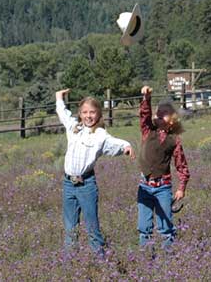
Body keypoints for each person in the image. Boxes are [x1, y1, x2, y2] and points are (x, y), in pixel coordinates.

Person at [55, 88, 134, 255]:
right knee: (70, 227)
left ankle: (101, 262)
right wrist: (59, 98)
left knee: (92, 226)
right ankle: (71, 263)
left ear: (98, 114)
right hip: (69, 183)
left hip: (86, 184)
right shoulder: (74, 127)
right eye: (85, 112)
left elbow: (113, 142)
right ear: (80, 114)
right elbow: (63, 115)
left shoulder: (100, 134)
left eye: (92, 112)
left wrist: (126, 146)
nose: (88, 116)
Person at [137, 86, 190, 249]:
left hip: (163, 187)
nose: (158, 115)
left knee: (165, 225)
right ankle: (146, 257)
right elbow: (144, 115)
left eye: (164, 113)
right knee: (144, 226)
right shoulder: (148, 130)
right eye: (157, 112)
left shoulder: (175, 140)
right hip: (145, 185)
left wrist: (181, 187)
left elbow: (181, 165)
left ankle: (168, 257)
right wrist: (146, 98)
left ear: (173, 120)